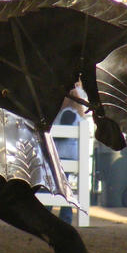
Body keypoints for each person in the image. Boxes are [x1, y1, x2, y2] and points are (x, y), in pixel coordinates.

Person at [51, 87, 86, 224]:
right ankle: (65, 216)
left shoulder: (66, 113)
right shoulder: (77, 115)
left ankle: (61, 216)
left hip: (62, 155)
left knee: (56, 187)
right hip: (71, 155)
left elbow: (61, 135)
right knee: (64, 187)